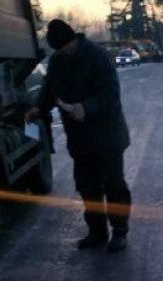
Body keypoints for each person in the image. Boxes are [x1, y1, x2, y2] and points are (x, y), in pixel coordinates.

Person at [26, 19, 132, 253]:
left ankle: (119, 231)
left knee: (114, 185)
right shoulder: (57, 60)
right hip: (80, 138)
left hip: (107, 135)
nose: (61, 53)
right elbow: (50, 89)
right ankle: (97, 231)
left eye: (64, 48)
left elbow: (110, 94)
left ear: (72, 40)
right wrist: (38, 108)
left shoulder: (97, 56)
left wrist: (86, 108)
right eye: (57, 50)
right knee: (87, 186)